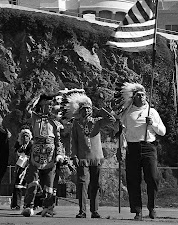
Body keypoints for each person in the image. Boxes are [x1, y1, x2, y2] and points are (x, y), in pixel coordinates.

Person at [118, 83, 166, 221]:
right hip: (132, 148)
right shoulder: (127, 113)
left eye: (143, 94)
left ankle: (152, 207)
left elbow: (162, 131)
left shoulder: (152, 112)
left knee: (152, 177)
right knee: (133, 180)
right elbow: (122, 132)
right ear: (134, 97)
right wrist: (120, 147)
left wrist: (152, 124)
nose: (142, 97)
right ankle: (137, 210)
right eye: (138, 95)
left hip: (149, 147)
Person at [67, 92, 116, 219]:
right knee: (83, 183)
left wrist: (101, 111)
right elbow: (73, 141)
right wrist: (74, 156)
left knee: (95, 184)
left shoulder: (97, 122)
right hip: (83, 157)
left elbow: (111, 120)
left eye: (89, 108)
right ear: (80, 111)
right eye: (85, 109)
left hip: (96, 157)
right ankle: (82, 211)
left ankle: (94, 210)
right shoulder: (76, 124)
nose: (87, 111)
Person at [22, 93, 64, 217]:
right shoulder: (35, 117)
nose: (48, 107)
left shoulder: (55, 120)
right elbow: (27, 110)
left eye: (50, 105)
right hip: (36, 153)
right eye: (46, 105)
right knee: (33, 182)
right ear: (41, 105)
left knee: (49, 184)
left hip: (50, 155)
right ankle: (28, 206)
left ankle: (48, 208)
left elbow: (58, 140)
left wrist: (60, 154)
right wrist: (37, 98)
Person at [11, 128, 33, 210]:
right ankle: (16, 204)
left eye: (27, 136)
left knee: (31, 185)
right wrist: (20, 150)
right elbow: (15, 153)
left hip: (29, 167)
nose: (25, 138)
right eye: (23, 136)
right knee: (17, 185)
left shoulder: (31, 145)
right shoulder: (18, 144)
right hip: (20, 167)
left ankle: (30, 204)